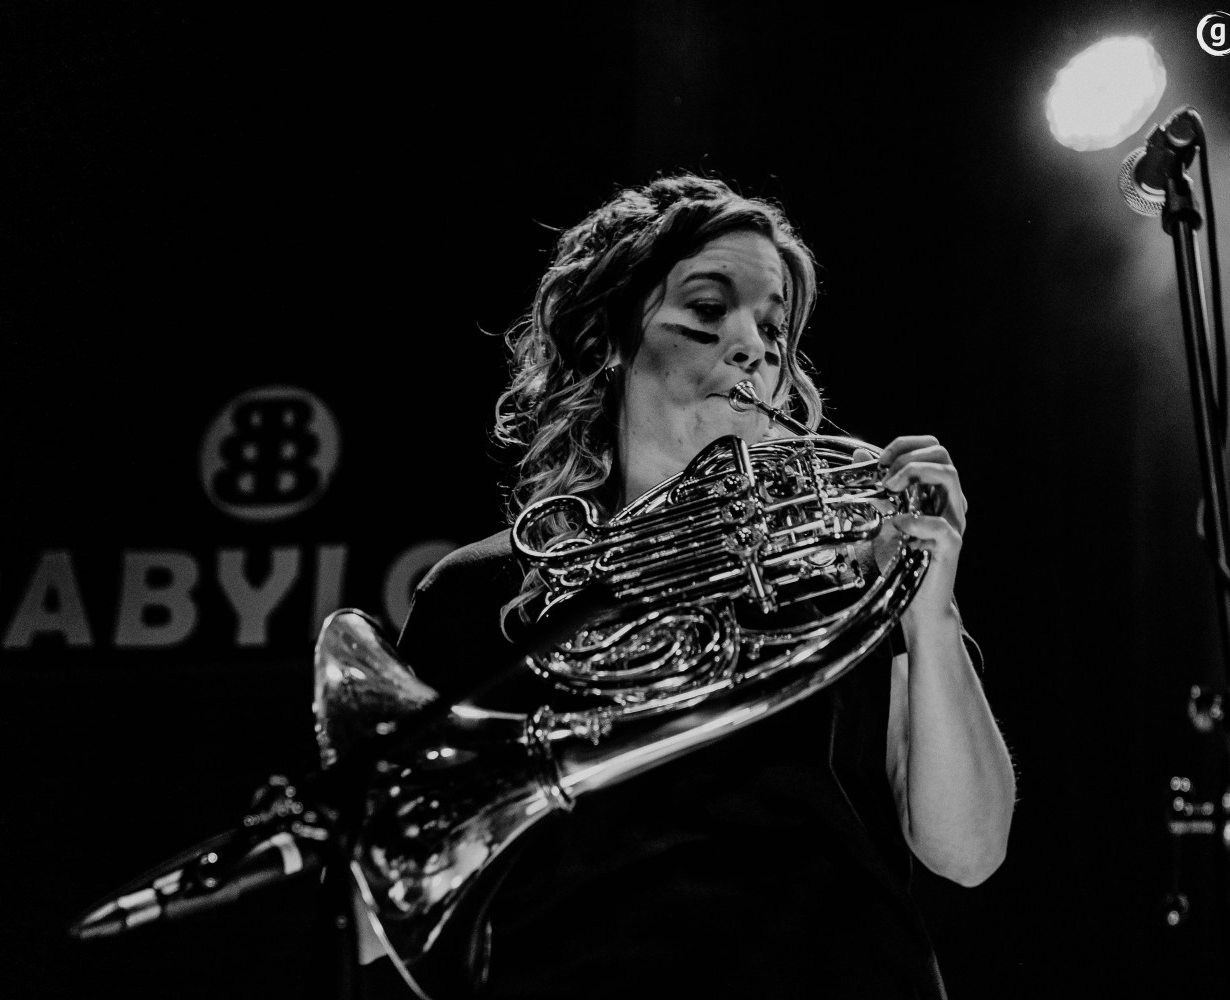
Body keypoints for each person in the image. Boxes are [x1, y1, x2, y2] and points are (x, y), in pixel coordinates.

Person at [380, 174, 1015, 999]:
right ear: (607, 339)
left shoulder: (854, 573)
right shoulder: (488, 591)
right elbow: (393, 876)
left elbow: (968, 852)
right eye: (708, 311)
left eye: (773, 328)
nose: (753, 347)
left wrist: (932, 607)